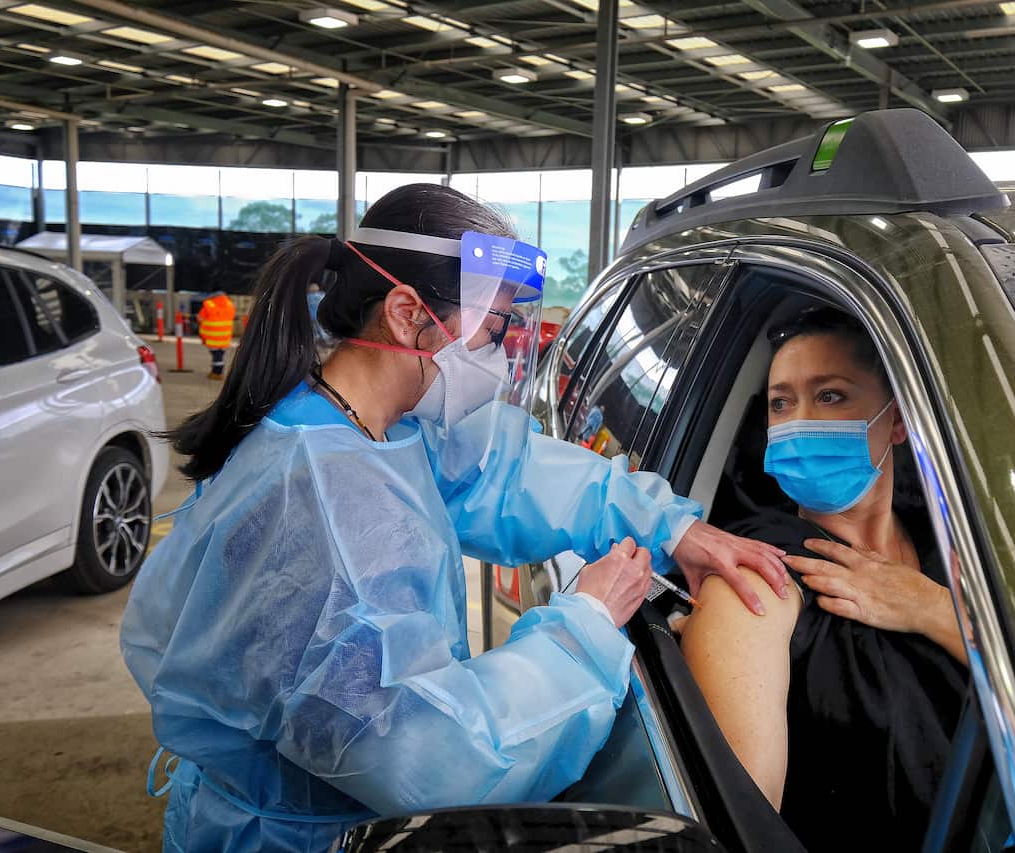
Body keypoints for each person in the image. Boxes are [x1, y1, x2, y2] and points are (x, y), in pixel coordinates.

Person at [123, 183, 789, 853]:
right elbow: (428, 762)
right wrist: (581, 627)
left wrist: (668, 524)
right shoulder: (322, 506)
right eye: (491, 333)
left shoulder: (377, 425)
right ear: (407, 314)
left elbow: (509, 469)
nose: (497, 362)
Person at [682, 307, 968, 851]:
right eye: (781, 403)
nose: (798, 422)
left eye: (831, 395)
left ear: (899, 419)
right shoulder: (756, 574)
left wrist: (930, 608)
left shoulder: (961, 549)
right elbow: (745, 830)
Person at [197, 290, 235, 381]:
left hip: (212, 337)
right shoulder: (230, 305)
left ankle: (218, 373)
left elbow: (200, 318)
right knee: (219, 354)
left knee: (217, 356)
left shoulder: (209, 305)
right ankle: (214, 371)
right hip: (225, 336)